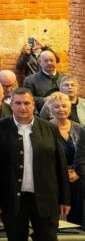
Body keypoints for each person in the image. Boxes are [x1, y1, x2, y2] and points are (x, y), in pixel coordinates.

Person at [0, 88, 71, 240]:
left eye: (26, 103)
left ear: (33, 105)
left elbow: (60, 165)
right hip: (11, 198)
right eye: (18, 103)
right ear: (11, 105)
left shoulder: (50, 128)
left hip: (46, 198)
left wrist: (64, 198)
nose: (22, 107)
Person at [44, 92, 85, 225]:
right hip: (54, 180)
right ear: (50, 109)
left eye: (64, 106)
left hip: (77, 179)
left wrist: (77, 173)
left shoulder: (79, 128)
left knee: (77, 220)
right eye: (56, 107)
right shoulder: (44, 128)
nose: (61, 109)